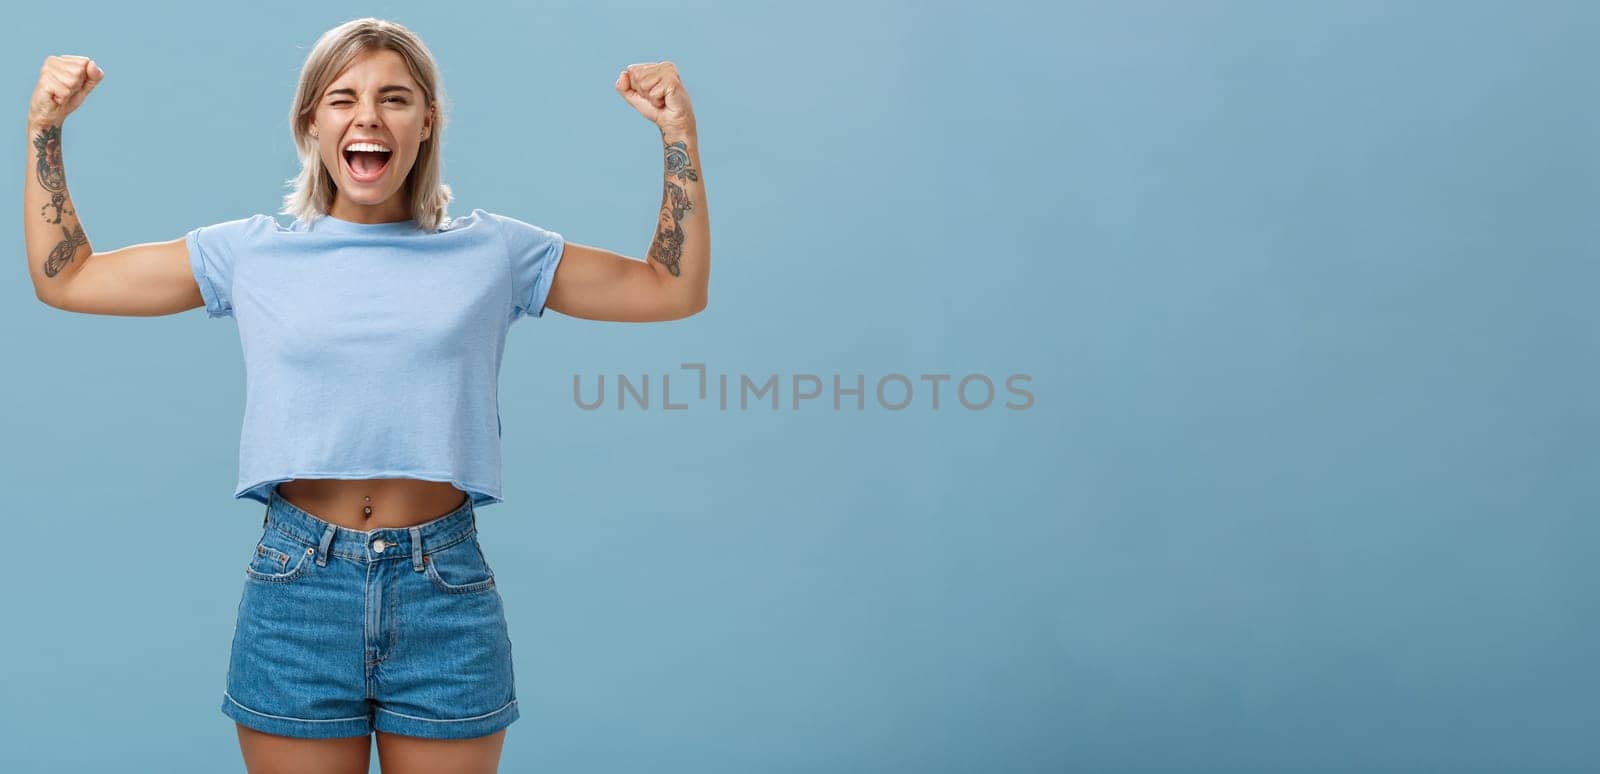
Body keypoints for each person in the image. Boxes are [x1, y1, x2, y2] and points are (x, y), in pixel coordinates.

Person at [23, 17, 708, 774]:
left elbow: (669, 288)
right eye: (343, 98)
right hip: (297, 591)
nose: (368, 117)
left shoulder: (495, 251)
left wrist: (678, 134)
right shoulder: (251, 253)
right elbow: (69, 277)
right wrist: (43, 129)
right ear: (311, 123)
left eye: (395, 98)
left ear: (426, 123)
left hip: (442, 591)